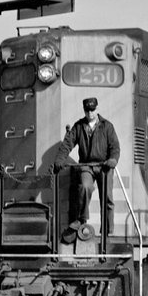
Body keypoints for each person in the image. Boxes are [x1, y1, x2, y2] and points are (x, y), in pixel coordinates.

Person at [53, 97, 121, 237]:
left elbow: (115, 147)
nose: (90, 113)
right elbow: (67, 145)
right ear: (84, 111)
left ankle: (107, 231)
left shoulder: (107, 126)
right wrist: (59, 160)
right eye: (87, 110)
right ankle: (81, 220)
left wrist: (113, 159)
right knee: (84, 186)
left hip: (104, 166)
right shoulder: (78, 126)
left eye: (93, 110)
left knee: (107, 198)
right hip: (86, 166)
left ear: (97, 109)